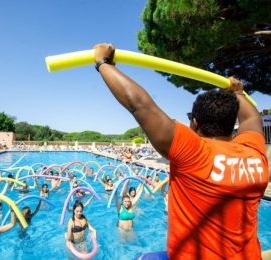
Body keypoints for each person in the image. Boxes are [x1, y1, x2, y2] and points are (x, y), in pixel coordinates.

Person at [93, 43, 269, 259]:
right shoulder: (254, 154)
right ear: (232, 123)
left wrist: (103, 63)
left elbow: (140, 105)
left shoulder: (195, 153)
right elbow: (252, 119)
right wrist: (239, 94)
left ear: (194, 123)